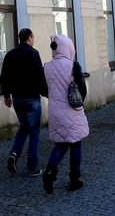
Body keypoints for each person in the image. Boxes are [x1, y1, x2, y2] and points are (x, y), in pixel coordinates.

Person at [42, 34, 89, 194]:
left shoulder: (46, 66)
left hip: (55, 111)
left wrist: (55, 97)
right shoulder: (73, 66)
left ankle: (49, 171)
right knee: (75, 143)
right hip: (72, 111)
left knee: (61, 144)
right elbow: (82, 89)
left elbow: (42, 89)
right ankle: (74, 180)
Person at [0, 28, 48, 177]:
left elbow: (3, 77)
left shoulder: (10, 54)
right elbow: (40, 76)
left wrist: (7, 95)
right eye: (33, 37)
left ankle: (14, 153)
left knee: (24, 127)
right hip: (32, 98)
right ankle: (32, 167)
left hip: (17, 98)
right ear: (29, 38)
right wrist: (47, 94)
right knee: (34, 132)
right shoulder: (33, 54)